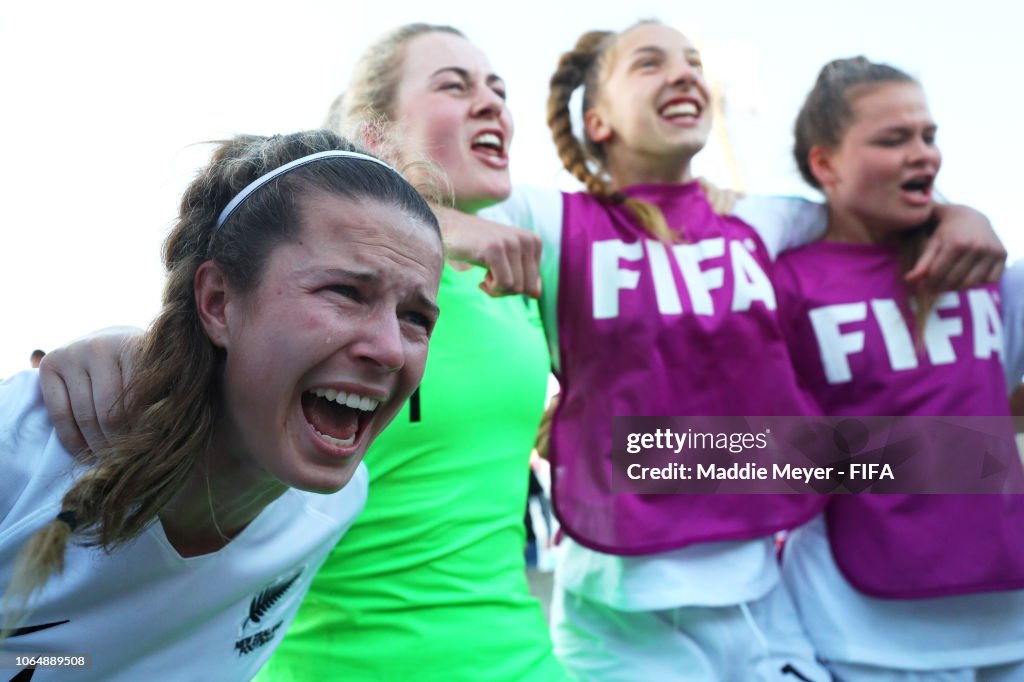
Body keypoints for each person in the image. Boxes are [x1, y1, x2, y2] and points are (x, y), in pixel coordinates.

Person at [466, 21, 1008, 681]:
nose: (683, 73)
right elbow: (402, 205)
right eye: (649, 63)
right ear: (598, 120)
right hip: (617, 611)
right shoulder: (551, 218)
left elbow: (871, 213)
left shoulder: (764, 219)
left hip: (762, 601)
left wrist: (961, 215)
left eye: (692, 61)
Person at [40, 24, 565, 682]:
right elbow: (219, 281)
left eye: (499, 89)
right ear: (372, 132)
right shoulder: (306, 267)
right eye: (453, 86)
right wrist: (114, 346)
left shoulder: (520, 280)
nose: (493, 104)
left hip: (525, 659)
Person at [0, 129, 444, 681]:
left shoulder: (334, 507)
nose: (389, 348)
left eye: (416, 318)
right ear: (218, 302)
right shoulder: (25, 445)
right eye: (346, 292)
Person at [774, 56, 1024, 681]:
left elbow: (1001, 408)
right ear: (824, 163)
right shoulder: (783, 283)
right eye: (894, 139)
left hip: (1008, 622)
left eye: (928, 136)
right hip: (860, 636)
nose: (924, 155)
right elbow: (736, 451)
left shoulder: (991, 273)